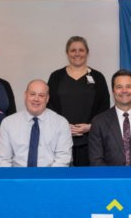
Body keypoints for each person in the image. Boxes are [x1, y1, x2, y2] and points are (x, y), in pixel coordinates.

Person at [47, 36, 110, 166]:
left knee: (87, 181)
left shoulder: (98, 77)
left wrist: (90, 127)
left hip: (90, 141)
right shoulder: (56, 77)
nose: (77, 54)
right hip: (60, 139)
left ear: (87, 52)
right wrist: (62, 126)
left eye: (81, 50)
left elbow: (104, 107)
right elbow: (49, 105)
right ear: (67, 53)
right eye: (73, 50)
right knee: (63, 182)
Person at [0, 80, 72, 167]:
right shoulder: (8, 123)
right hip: (17, 176)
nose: (36, 99)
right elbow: (2, 159)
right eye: (32, 94)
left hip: (49, 176)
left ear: (47, 99)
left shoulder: (61, 123)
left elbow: (63, 159)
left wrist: (48, 179)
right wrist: (14, 179)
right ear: (25, 95)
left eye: (41, 95)